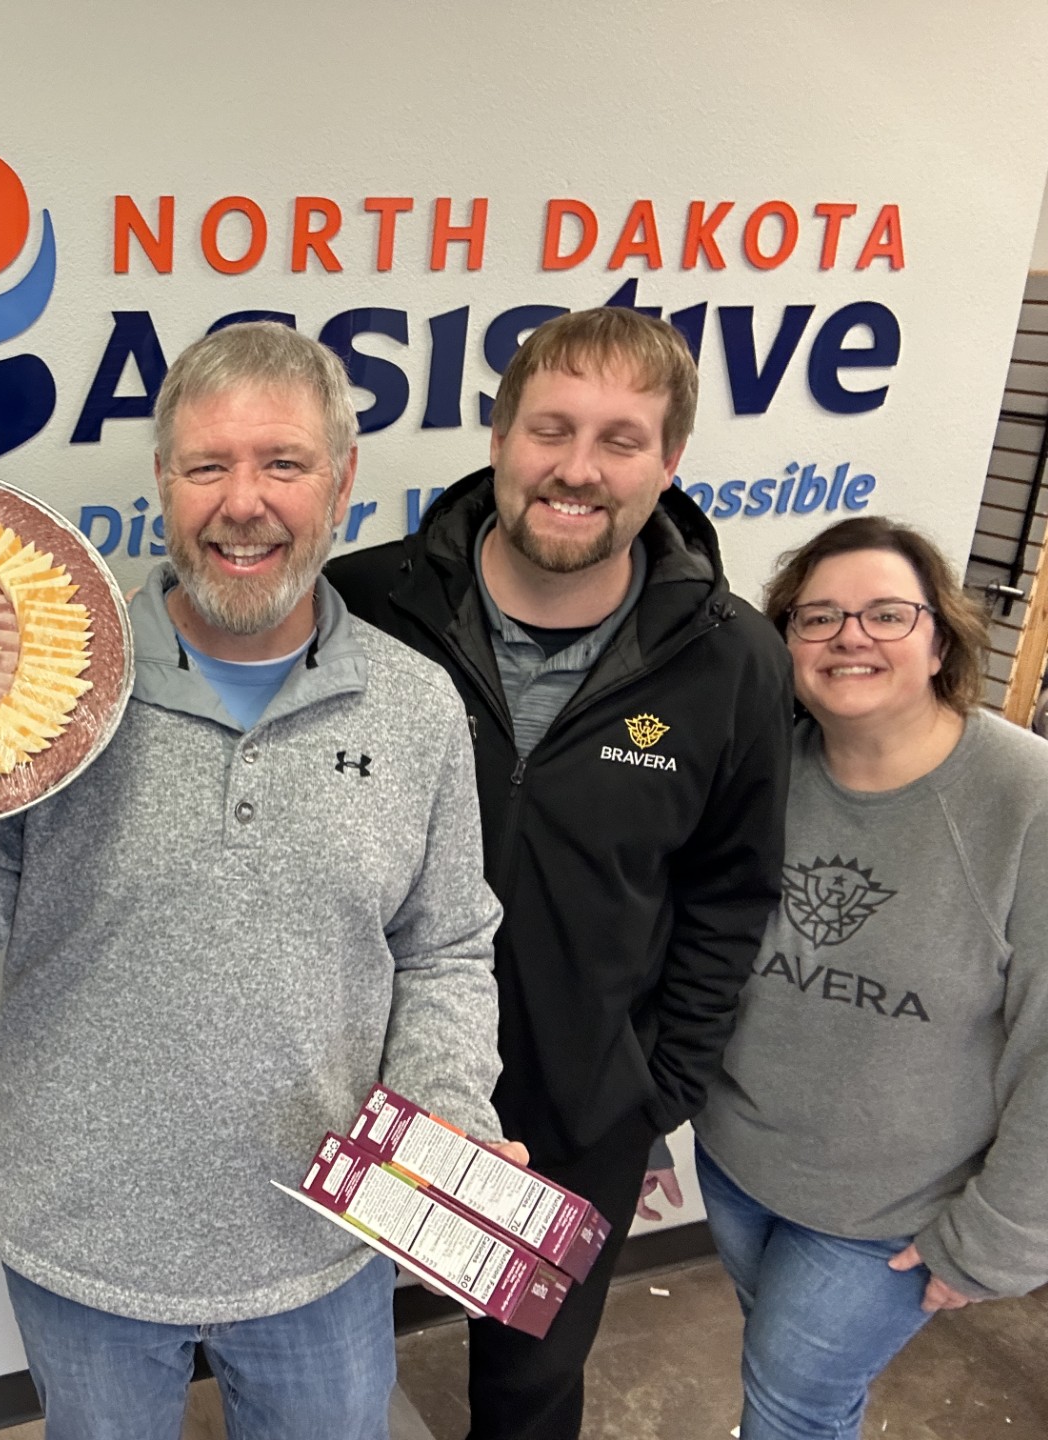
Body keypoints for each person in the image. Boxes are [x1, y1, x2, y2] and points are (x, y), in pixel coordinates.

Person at [0, 321, 511, 1439]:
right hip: (84, 1242)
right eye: (208, 465)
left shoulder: (416, 705)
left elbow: (443, 942)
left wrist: (442, 1119)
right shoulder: (52, 686)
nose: (241, 502)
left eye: (282, 464)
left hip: (325, 1238)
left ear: (342, 481)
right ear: (163, 480)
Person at [326, 307, 792, 1440]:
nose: (577, 470)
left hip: (582, 1103)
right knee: (326, 1360)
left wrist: (656, 1082)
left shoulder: (732, 660)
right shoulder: (362, 607)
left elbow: (732, 889)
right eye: (551, 429)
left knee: (529, 1387)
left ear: (670, 461)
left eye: (621, 440)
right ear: (499, 436)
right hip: (353, 1081)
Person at [692, 516, 1048, 1440]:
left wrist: (998, 1243)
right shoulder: (765, 771)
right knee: (786, 1378)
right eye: (817, 619)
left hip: (893, 1209)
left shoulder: (1026, 797)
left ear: (941, 639)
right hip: (739, 1163)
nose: (851, 636)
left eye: (888, 614)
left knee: (792, 1403)